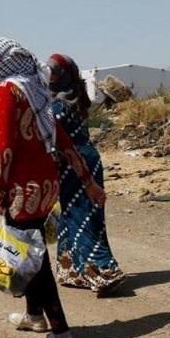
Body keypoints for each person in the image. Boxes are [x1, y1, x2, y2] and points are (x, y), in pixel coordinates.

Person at [0, 36, 106, 338]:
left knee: (32, 257)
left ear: (10, 59)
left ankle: (60, 333)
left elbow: (3, 147)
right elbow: (60, 138)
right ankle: (34, 315)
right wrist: (87, 180)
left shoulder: (8, 89)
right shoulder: (36, 87)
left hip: (22, 187)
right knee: (32, 244)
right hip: (46, 183)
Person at [45, 53, 125, 297]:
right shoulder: (73, 98)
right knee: (71, 214)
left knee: (83, 217)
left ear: (65, 76)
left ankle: (104, 271)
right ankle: (73, 270)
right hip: (81, 160)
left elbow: (58, 140)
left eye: (54, 72)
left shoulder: (60, 104)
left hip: (76, 163)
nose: (50, 76)